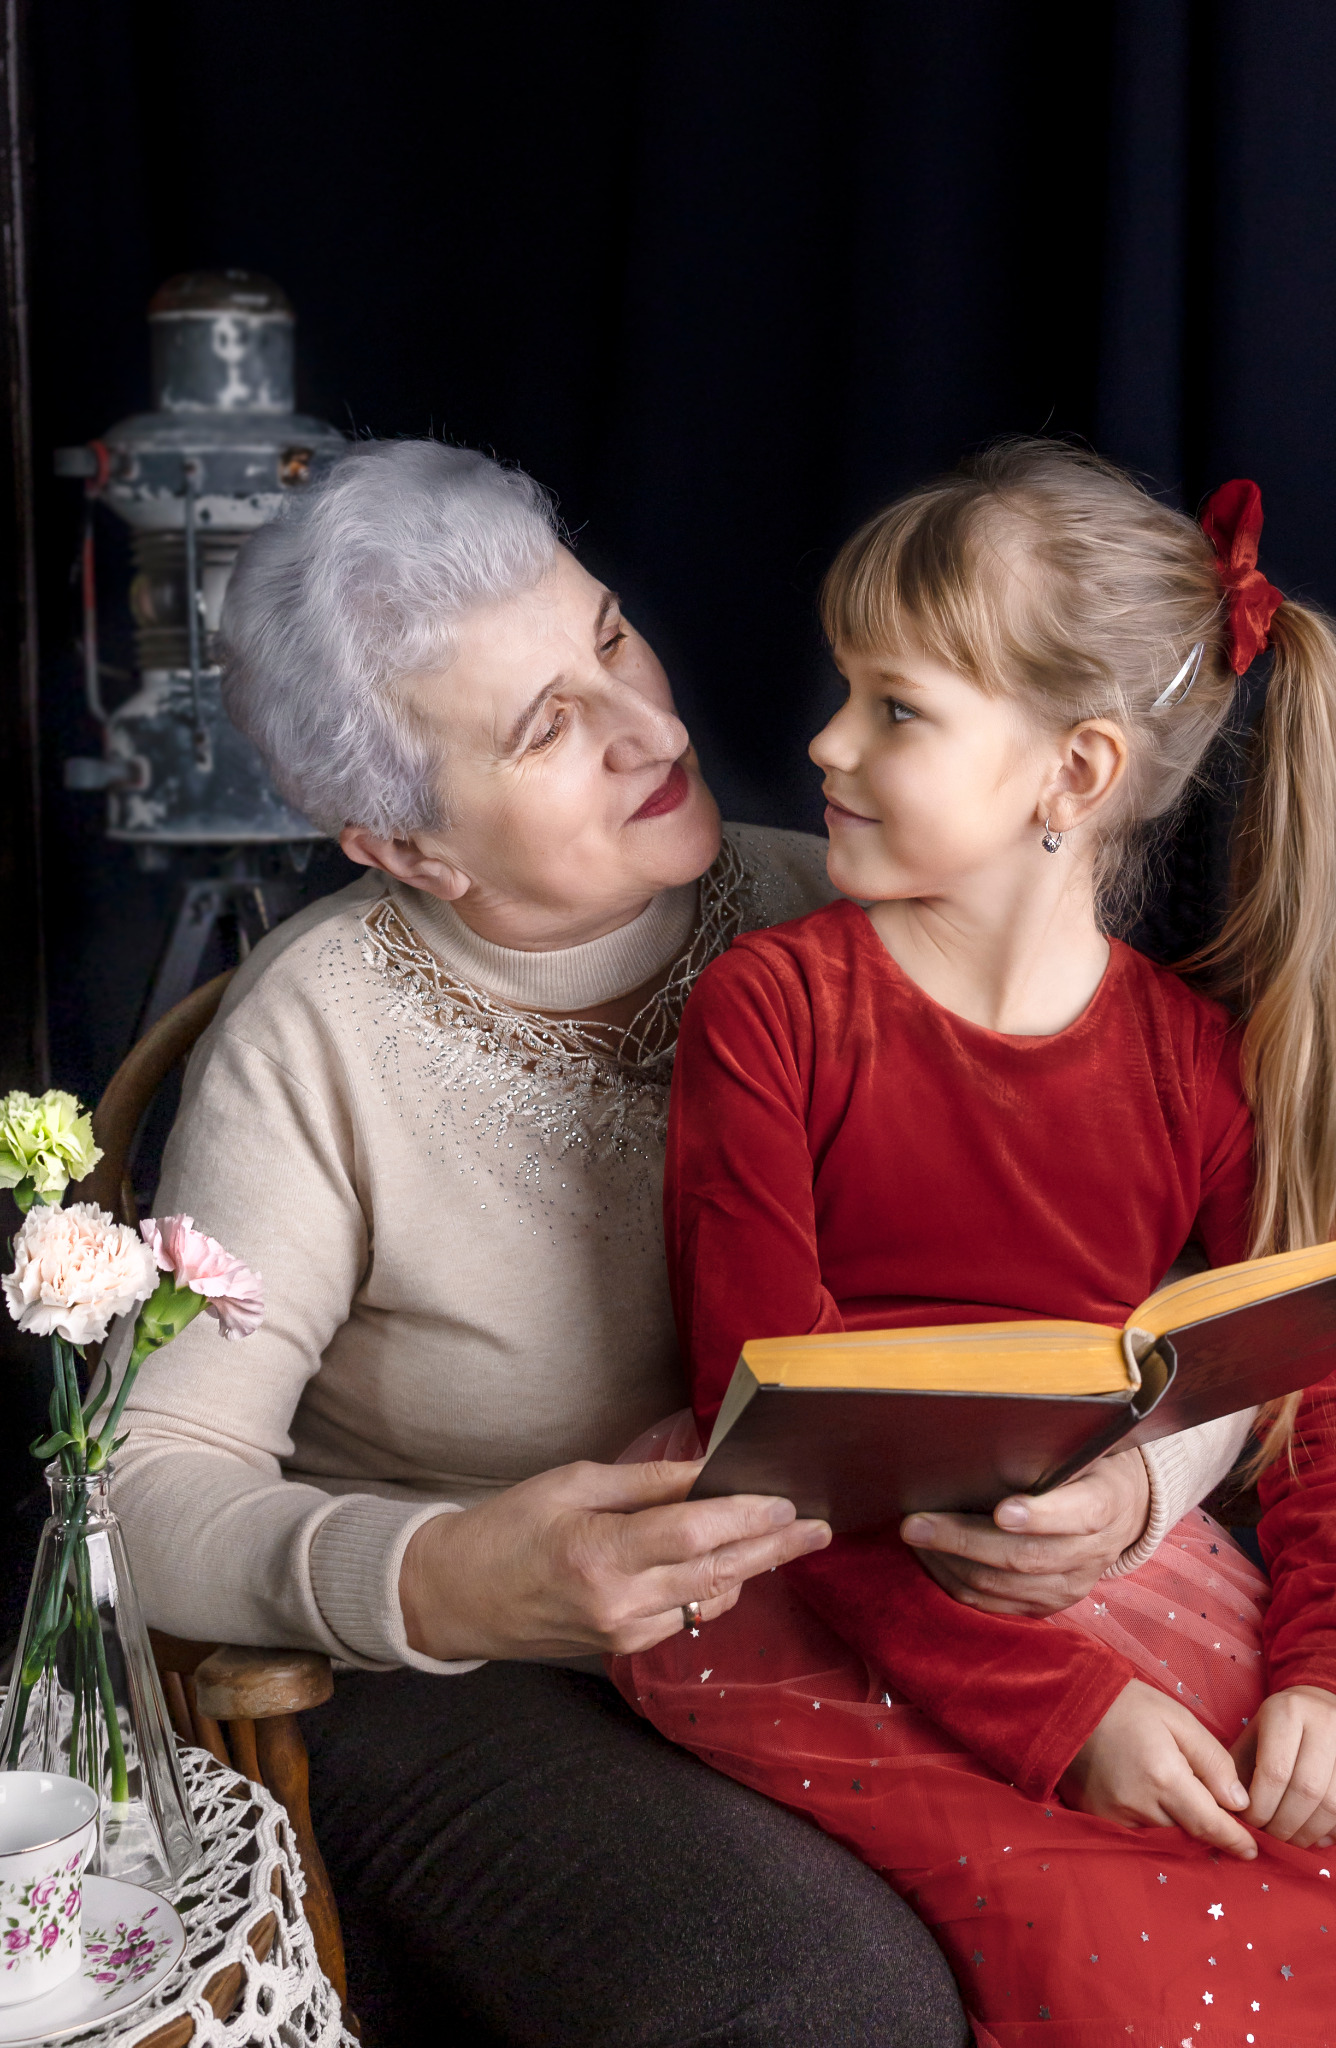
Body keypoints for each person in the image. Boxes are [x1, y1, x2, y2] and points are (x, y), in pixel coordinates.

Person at [114, 439, 1243, 2047]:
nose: (651, 726)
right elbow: (144, 1488)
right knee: (818, 2000)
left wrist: (1140, 1483)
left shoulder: (850, 909)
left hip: (871, 1612)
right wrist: (447, 1577)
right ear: (406, 847)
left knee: (1200, 1909)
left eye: (611, 640)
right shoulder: (316, 1038)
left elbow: (1204, 1297)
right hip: (487, 1684)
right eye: (546, 729)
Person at [617, 440, 1336, 2045]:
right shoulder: (778, 1012)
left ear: (1073, 774)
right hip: (810, 1603)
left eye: (895, 708)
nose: (821, 740)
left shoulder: (1195, 1069)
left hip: (1124, 1585)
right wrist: (1065, 1714)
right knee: (1159, 1989)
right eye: (846, 691)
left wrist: (1332, 1682)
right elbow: (775, 1450)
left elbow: (1332, 1417)